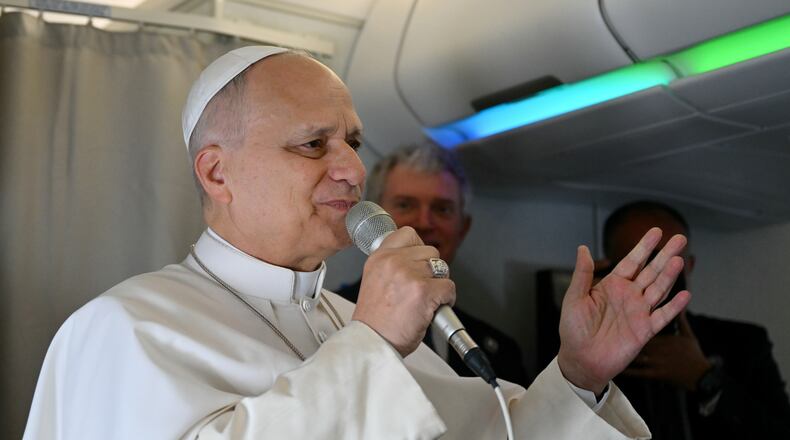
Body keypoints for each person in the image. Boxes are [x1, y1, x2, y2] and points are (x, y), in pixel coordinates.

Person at [23, 46, 691, 439]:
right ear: (218, 173)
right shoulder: (122, 330)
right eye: (314, 144)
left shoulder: (354, 321)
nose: (351, 168)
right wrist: (371, 344)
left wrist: (579, 373)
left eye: (352, 141)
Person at [337, 144, 529, 386]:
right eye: (405, 205)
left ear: (463, 228)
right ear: (374, 216)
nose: (424, 222)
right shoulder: (332, 320)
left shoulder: (498, 353)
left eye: (442, 209)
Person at [602, 200, 790, 440]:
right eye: (642, 264)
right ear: (610, 270)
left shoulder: (743, 343)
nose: (656, 277)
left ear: (688, 266)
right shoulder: (588, 349)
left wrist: (703, 378)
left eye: (670, 264)